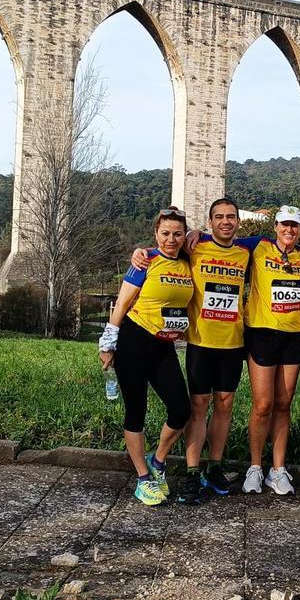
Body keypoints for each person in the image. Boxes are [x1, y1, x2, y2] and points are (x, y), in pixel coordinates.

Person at [131, 197, 251, 503]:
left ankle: (214, 467)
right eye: (219, 216)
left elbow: (284, 247)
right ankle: (192, 473)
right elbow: (163, 249)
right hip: (200, 343)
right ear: (209, 222)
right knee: (197, 408)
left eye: (231, 217)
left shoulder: (247, 250)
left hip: (233, 343)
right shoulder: (194, 247)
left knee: (224, 406)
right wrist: (139, 253)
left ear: (238, 222)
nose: (226, 221)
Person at [99, 208, 194, 506]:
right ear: (156, 234)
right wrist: (108, 342)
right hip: (134, 340)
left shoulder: (187, 261)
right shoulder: (145, 260)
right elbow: (122, 303)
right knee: (136, 411)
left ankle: (158, 460)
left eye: (177, 233)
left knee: (181, 409)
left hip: (164, 346)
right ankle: (142, 478)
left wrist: (197, 236)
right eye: (165, 233)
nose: (171, 239)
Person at [239, 205, 300, 494]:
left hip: (294, 335)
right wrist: (195, 234)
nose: (289, 230)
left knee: (284, 403)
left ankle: (278, 469)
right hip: (261, 333)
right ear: (275, 226)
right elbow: (222, 241)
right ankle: (255, 467)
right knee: (263, 405)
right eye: (284, 224)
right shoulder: (258, 246)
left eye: (294, 226)